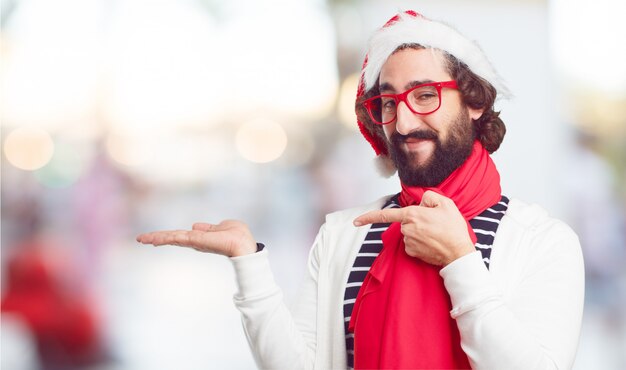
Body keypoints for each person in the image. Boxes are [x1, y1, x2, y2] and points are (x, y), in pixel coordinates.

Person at [137, 10, 584, 370]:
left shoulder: (543, 242)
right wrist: (247, 262)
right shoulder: (345, 234)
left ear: (474, 100)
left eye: (425, 95)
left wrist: (459, 260)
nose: (404, 123)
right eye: (389, 103)